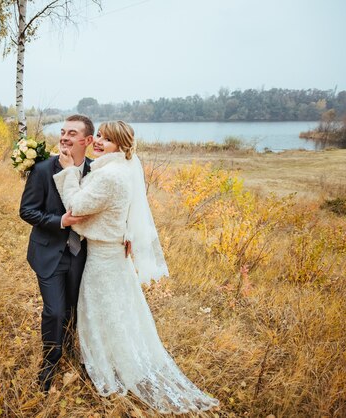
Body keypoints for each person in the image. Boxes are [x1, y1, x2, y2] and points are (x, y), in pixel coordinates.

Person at [52, 121, 219, 414]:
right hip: (112, 254)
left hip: (103, 259)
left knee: (102, 313)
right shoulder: (120, 169)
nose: (99, 143)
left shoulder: (111, 176)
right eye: (100, 137)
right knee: (120, 311)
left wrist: (67, 172)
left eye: (108, 139)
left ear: (122, 145)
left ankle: (110, 366)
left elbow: (76, 206)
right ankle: (117, 358)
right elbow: (127, 211)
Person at [19, 114, 94, 392]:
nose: (64, 137)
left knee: (74, 309)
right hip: (49, 252)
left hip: (82, 255)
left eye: (72, 133)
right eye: (63, 131)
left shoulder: (95, 172)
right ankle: (50, 362)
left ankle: (71, 349)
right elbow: (26, 210)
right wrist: (59, 222)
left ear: (87, 141)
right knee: (54, 311)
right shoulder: (42, 169)